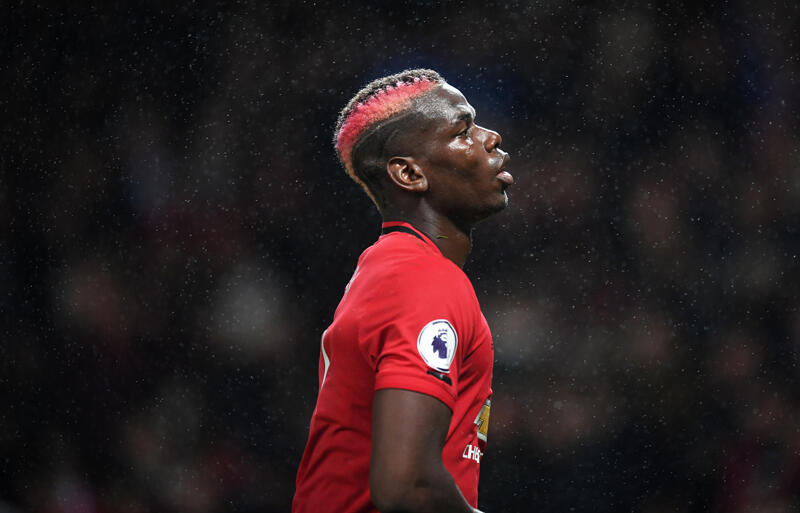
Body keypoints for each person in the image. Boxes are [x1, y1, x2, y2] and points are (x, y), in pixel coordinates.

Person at [292, 68, 513, 513]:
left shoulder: (388, 268)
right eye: (463, 131)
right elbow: (405, 484)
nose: (491, 138)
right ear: (409, 173)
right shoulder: (423, 279)